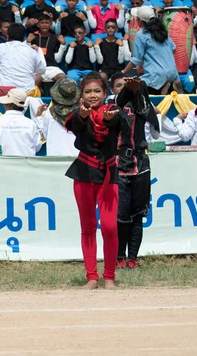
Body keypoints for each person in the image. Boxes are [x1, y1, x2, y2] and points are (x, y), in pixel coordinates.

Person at [64, 72, 121, 290]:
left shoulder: (114, 112)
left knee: (109, 227)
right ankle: (91, 277)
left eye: (97, 91)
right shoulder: (77, 116)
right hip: (83, 173)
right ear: (82, 94)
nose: (93, 95)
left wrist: (108, 119)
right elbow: (76, 127)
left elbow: (118, 123)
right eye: (88, 91)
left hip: (108, 175)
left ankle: (109, 277)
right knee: (87, 227)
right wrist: (83, 116)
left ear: (106, 93)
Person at [114, 76, 159, 270]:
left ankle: (132, 258)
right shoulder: (113, 107)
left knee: (138, 215)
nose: (123, 89)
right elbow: (120, 101)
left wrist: (138, 91)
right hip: (120, 164)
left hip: (141, 164)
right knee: (121, 215)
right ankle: (119, 257)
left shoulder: (144, 108)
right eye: (118, 86)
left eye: (127, 86)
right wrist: (128, 91)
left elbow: (154, 129)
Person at [122, 5, 179, 94]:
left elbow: (136, 60)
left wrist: (123, 73)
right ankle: (169, 84)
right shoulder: (163, 33)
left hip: (155, 76)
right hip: (173, 73)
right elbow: (174, 49)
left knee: (134, 90)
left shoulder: (141, 35)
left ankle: (163, 86)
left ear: (140, 20)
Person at [0, 23, 46, 92]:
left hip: (5, 92)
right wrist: (39, 50)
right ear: (23, 37)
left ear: (8, 35)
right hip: (27, 92)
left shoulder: (0, 48)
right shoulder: (31, 51)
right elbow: (42, 70)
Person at [0, 88, 42, 156]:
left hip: (3, 164)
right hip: (27, 165)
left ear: (7, 104)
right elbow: (37, 146)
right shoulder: (31, 124)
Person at [34, 78, 79, 157]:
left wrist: (38, 117)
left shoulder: (49, 113)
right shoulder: (82, 113)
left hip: (55, 159)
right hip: (76, 157)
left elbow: (45, 134)